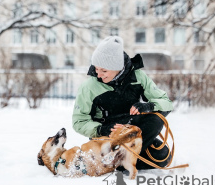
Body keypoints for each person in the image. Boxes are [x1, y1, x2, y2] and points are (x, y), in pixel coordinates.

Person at [72, 36, 173, 170]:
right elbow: (79, 121)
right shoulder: (89, 87)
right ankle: (115, 159)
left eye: (104, 70)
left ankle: (120, 160)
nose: (98, 74)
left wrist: (148, 106)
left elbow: (166, 103)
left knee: (163, 154)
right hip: (108, 137)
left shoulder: (138, 77)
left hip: (132, 130)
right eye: (96, 69)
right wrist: (102, 129)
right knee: (155, 152)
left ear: (118, 67)